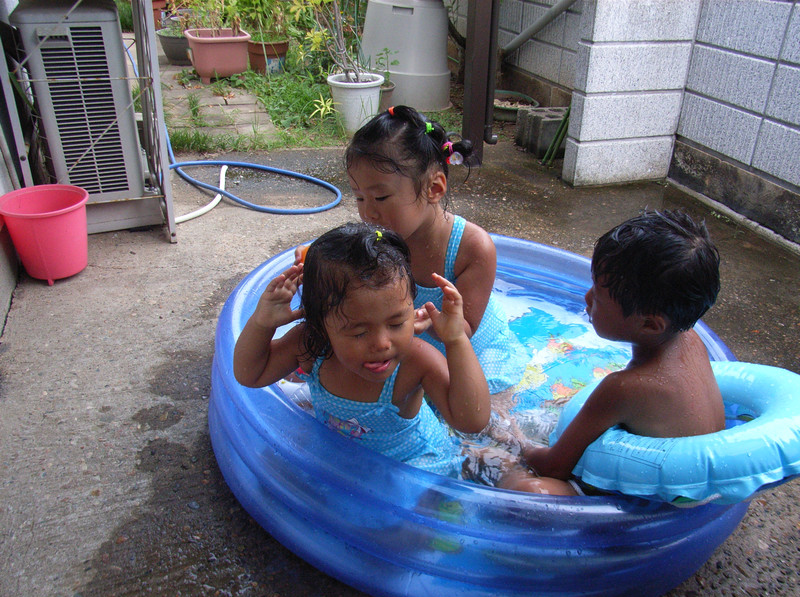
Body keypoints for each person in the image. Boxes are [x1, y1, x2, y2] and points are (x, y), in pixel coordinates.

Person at [233, 222, 490, 476]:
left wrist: (456, 340)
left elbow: (471, 421)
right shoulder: (312, 344)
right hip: (342, 451)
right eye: (359, 332)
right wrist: (262, 323)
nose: (382, 343)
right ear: (321, 324)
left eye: (396, 323)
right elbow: (250, 375)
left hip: (410, 462)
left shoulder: (416, 361)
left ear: (413, 310)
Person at [500, 209, 726, 495]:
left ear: (650, 324)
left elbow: (553, 468)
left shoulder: (624, 388)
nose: (586, 297)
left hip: (641, 501)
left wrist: (514, 438)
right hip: (688, 483)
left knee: (519, 483)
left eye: (598, 297)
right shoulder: (691, 340)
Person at [344, 105, 529, 400]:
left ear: (434, 188)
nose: (368, 213)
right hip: (414, 346)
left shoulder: (471, 248)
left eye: (380, 197)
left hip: (473, 350)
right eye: (359, 198)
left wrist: (431, 320)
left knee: (485, 416)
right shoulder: (377, 239)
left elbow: (464, 329)